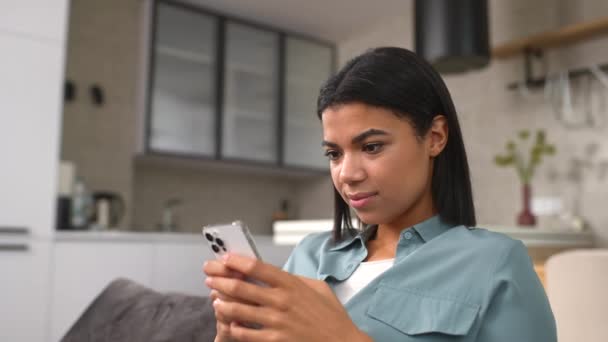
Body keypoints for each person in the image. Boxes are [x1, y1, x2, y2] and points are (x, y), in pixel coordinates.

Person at [203, 47, 557, 341]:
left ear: (435, 137)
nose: (347, 174)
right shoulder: (310, 254)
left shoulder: (494, 263)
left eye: (371, 147)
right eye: (334, 154)